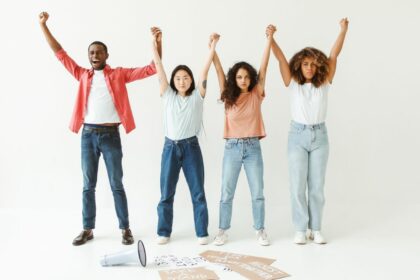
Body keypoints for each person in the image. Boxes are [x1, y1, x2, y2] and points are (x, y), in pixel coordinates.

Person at [39, 12, 161, 246]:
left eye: (99, 52)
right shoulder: (82, 74)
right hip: (88, 135)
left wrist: (157, 43)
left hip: (110, 135)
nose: (95, 55)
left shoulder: (118, 74)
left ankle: (125, 228)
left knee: (117, 183)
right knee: (88, 185)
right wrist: (44, 26)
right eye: (91, 53)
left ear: (107, 55)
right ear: (89, 57)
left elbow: (152, 69)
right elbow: (60, 53)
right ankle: (88, 229)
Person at [271, 18, 349, 244]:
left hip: (320, 137)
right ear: (299, 65)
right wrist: (272, 39)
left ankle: (316, 228)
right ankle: (300, 228)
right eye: (305, 64)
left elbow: (334, 56)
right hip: (297, 136)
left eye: (313, 64)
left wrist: (343, 31)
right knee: (297, 184)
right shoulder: (293, 83)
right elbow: (280, 58)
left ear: (318, 67)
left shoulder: (324, 81)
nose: (309, 68)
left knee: (316, 185)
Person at [151, 27, 219, 245]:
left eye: (186, 78)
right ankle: (163, 231)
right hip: (170, 147)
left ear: (191, 81)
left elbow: (204, 72)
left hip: (191, 148)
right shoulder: (167, 95)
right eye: (178, 78)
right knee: (166, 192)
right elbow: (159, 67)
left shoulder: (197, 97)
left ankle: (202, 232)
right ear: (173, 81)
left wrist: (213, 47)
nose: (182, 81)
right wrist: (154, 43)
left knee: (198, 191)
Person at [211, 25, 276, 246]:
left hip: (253, 149)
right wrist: (213, 47)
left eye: (247, 77)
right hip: (232, 148)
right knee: (226, 192)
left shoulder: (256, 94)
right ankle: (222, 230)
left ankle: (260, 229)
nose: (243, 80)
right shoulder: (228, 97)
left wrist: (269, 39)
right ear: (234, 79)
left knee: (257, 191)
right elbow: (219, 71)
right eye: (239, 77)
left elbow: (265, 67)